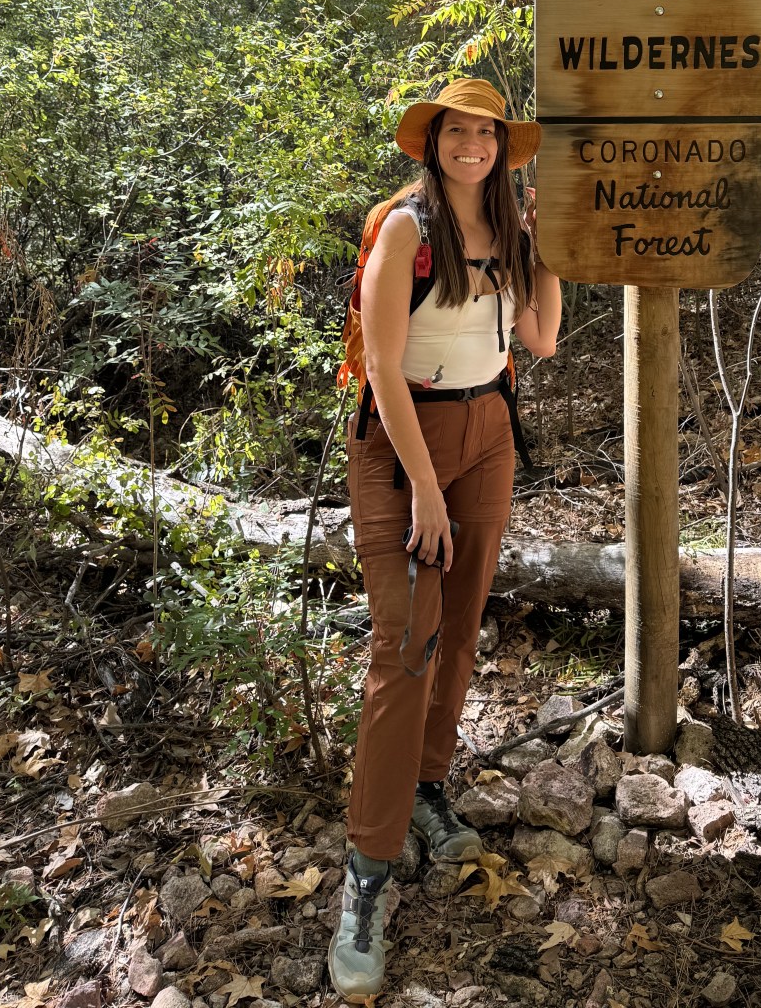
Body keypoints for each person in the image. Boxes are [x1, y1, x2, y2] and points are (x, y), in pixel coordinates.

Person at [329, 78, 562, 1002]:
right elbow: (382, 364)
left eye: (486, 134)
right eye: (458, 132)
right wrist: (423, 483)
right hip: (404, 447)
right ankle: (365, 878)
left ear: (504, 147)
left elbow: (538, 339)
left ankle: (427, 788)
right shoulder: (407, 231)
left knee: (460, 630)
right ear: (434, 142)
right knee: (405, 648)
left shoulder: (505, 231)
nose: (473, 146)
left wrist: (552, 250)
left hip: (490, 434)